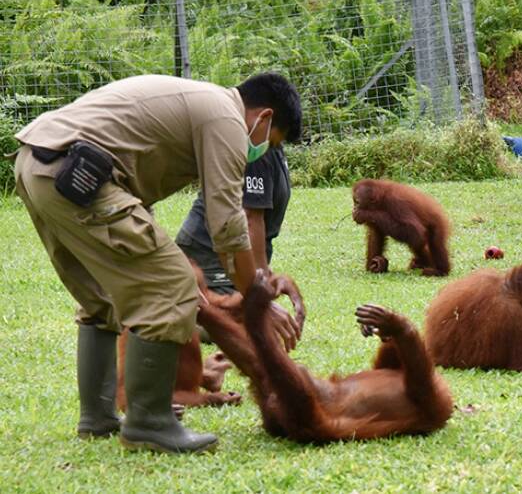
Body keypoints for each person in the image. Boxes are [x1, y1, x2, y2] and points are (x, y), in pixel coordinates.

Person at [13, 72, 301, 453]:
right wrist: (256, 299)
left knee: (103, 297)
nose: (264, 151)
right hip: (75, 173)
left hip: (40, 166)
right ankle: (150, 423)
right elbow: (229, 226)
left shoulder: (202, 102)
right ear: (263, 118)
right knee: (174, 285)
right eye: (272, 142)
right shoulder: (228, 121)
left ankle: (97, 418)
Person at [176, 135, 304, 347]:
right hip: (210, 251)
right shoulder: (256, 149)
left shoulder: (273, 145)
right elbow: (251, 218)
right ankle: (180, 320)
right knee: (249, 326)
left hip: (230, 250)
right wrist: (260, 297)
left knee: (257, 320)